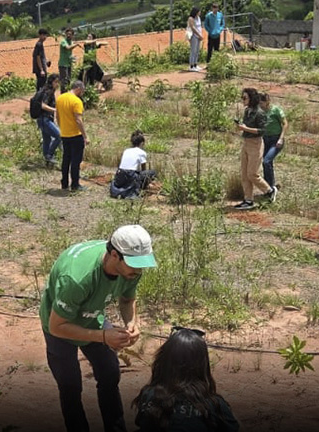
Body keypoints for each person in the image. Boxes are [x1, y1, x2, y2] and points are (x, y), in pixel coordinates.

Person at [40, 225, 157, 432]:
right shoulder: (77, 279)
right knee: (70, 385)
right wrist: (103, 336)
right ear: (114, 255)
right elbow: (57, 326)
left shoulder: (130, 270)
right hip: (59, 324)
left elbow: (127, 300)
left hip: (93, 317)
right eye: (134, 265)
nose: (138, 271)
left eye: (142, 265)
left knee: (110, 372)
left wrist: (132, 322)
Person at [132, 327, 240, 432]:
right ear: (203, 365)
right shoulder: (214, 405)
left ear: (163, 362)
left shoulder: (148, 396)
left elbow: (142, 423)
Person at [235, 88, 276, 210]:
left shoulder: (260, 113)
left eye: (245, 98)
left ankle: (269, 190)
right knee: (244, 174)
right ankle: (248, 200)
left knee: (252, 173)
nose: (243, 100)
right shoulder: (247, 111)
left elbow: (262, 131)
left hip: (256, 144)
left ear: (251, 99)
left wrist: (245, 129)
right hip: (246, 143)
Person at [57, 80, 90, 192]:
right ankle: (75, 184)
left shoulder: (60, 98)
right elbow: (78, 120)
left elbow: (57, 115)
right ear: (79, 89)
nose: (82, 93)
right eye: (83, 91)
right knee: (76, 161)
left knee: (66, 159)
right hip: (75, 135)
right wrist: (85, 136)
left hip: (64, 134)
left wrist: (62, 127)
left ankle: (64, 183)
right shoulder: (77, 101)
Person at [110, 130, 157, 199]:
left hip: (120, 174)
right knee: (153, 172)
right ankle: (141, 188)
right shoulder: (142, 152)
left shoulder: (126, 150)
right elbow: (144, 169)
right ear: (141, 143)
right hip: (130, 175)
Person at [259, 93, 286, 189]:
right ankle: (269, 185)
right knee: (267, 162)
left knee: (266, 161)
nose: (260, 105)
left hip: (275, 140)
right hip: (265, 139)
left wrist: (281, 139)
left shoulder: (275, 110)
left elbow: (285, 124)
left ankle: (270, 187)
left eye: (261, 103)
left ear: (267, 102)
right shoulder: (260, 112)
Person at [37, 74, 62, 165]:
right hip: (44, 119)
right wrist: (55, 110)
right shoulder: (48, 91)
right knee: (59, 136)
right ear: (51, 82)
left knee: (47, 139)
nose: (57, 84)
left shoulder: (47, 90)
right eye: (56, 82)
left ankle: (47, 159)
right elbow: (43, 105)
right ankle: (49, 155)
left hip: (44, 119)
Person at [59, 28, 80, 92]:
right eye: (67, 34)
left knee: (68, 80)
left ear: (72, 35)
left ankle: (67, 93)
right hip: (63, 64)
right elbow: (68, 48)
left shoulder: (70, 42)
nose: (68, 35)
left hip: (68, 64)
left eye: (70, 34)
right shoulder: (63, 41)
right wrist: (76, 44)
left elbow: (69, 53)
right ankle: (63, 94)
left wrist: (73, 57)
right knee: (64, 80)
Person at [187, 7, 205, 72]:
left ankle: (195, 64)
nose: (200, 13)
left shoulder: (199, 18)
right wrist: (199, 35)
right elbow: (193, 28)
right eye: (199, 11)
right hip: (194, 36)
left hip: (199, 35)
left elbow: (200, 27)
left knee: (197, 50)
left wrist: (201, 35)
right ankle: (191, 66)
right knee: (193, 50)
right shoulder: (191, 18)